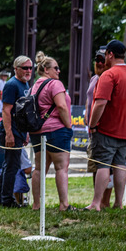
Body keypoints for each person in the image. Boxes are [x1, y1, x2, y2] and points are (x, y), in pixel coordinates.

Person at [86, 40, 126, 211]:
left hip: (106, 129)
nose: (104, 58)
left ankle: (96, 203)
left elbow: (100, 103)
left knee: (103, 165)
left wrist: (92, 124)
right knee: (120, 165)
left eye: (105, 55)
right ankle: (118, 203)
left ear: (110, 54)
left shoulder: (109, 75)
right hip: (125, 130)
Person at [28, 52, 74, 211]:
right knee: (61, 168)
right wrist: (68, 125)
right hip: (57, 130)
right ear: (46, 70)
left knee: (39, 169)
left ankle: (36, 204)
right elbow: (61, 106)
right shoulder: (55, 84)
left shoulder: (34, 86)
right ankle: (64, 204)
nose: (59, 71)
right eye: (56, 68)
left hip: (37, 132)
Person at [0, 55, 33, 208]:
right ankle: (7, 200)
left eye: (30, 68)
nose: (28, 70)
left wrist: (26, 132)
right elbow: (6, 111)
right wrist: (9, 134)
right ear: (16, 69)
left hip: (20, 131)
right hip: (11, 131)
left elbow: (25, 110)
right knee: (12, 166)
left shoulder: (26, 84)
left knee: (10, 165)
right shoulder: (11, 84)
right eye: (25, 68)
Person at [85, 46, 113, 208]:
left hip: (102, 129)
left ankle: (104, 202)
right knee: (95, 166)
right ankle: (98, 200)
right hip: (92, 129)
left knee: (105, 166)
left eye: (103, 60)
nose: (99, 63)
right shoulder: (94, 78)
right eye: (97, 60)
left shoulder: (108, 78)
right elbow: (91, 99)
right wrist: (86, 114)